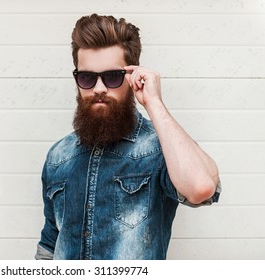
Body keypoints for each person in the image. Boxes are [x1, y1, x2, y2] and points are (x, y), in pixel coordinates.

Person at [35, 14, 221, 260]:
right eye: (87, 78)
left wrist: (153, 102)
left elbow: (201, 188)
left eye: (112, 77)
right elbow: (49, 244)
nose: (99, 88)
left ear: (132, 76)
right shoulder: (58, 156)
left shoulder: (159, 148)